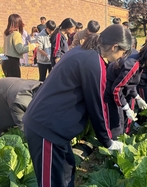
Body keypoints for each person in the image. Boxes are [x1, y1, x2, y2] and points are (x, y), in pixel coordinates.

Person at [22, 24, 131, 187]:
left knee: (67, 172)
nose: (121, 58)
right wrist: (107, 141)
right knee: (51, 182)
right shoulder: (94, 63)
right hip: (47, 128)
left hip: (56, 127)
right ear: (115, 47)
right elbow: (97, 106)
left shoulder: (83, 51)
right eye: (122, 53)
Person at [105, 39, 147, 139]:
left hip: (119, 91)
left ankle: (123, 141)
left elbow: (130, 83)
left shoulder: (140, 61)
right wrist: (126, 108)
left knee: (124, 120)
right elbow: (116, 89)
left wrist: (137, 98)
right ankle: (113, 148)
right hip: (110, 91)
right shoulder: (132, 65)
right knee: (117, 124)